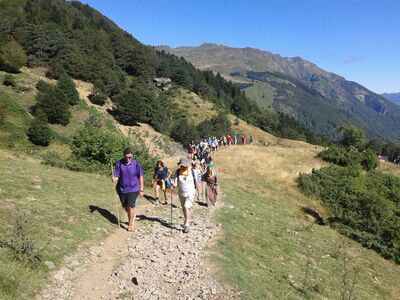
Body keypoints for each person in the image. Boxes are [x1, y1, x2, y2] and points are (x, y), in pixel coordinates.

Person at [112, 147, 144, 232]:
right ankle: (132, 216)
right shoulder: (119, 163)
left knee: (130, 206)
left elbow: (140, 176)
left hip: (133, 188)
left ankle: (130, 224)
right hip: (121, 189)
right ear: (123, 156)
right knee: (125, 206)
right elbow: (116, 175)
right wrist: (114, 178)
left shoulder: (136, 164)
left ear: (132, 156)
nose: (128, 159)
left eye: (130, 157)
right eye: (126, 157)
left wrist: (141, 189)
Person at [172, 157, 197, 233]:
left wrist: (198, 193)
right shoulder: (177, 172)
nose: (184, 166)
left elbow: (196, 182)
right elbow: (175, 185)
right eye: (182, 165)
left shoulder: (192, 171)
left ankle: (187, 224)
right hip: (181, 193)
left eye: (185, 165)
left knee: (186, 207)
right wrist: (172, 184)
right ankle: (186, 219)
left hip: (190, 192)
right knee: (183, 208)